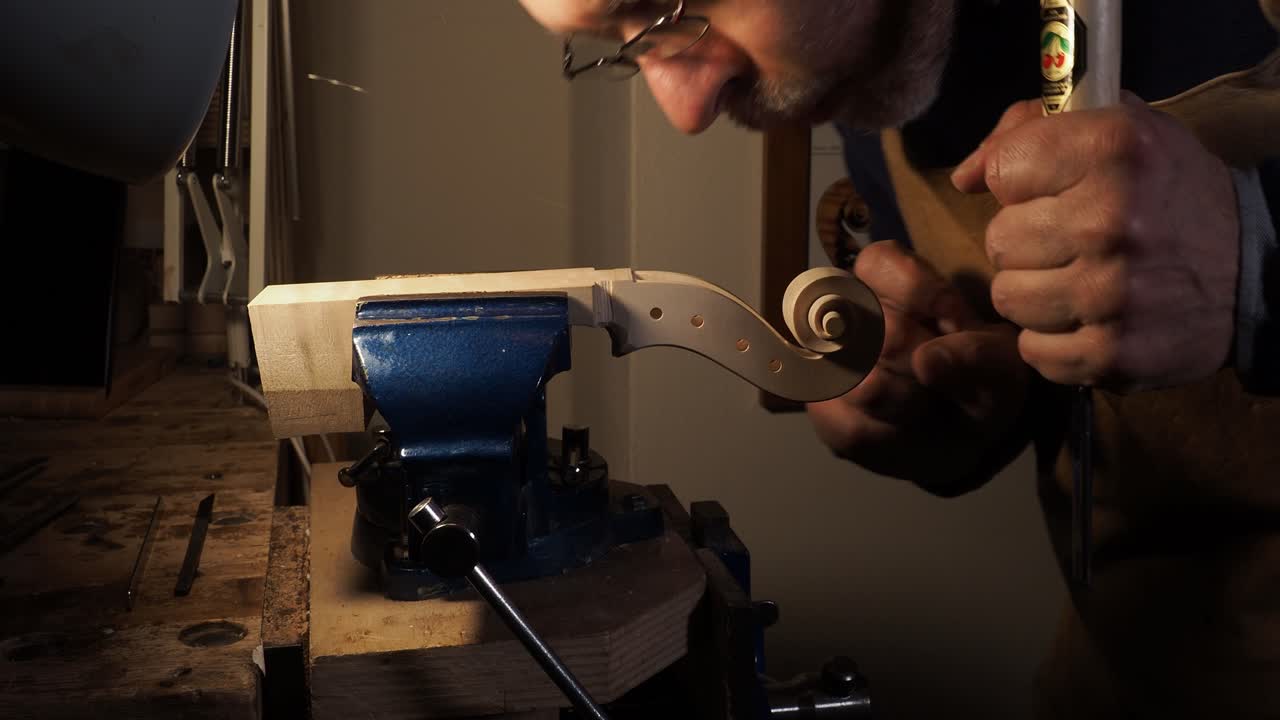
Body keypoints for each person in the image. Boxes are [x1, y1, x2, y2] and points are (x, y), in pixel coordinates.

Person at [518, 0, 1280, 717]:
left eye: (668, 7)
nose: (686, 111)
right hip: (1130, 675)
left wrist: (1251, 258)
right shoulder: (886, 59)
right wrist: (951, 408)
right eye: (628, 47)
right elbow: (1079, 387)